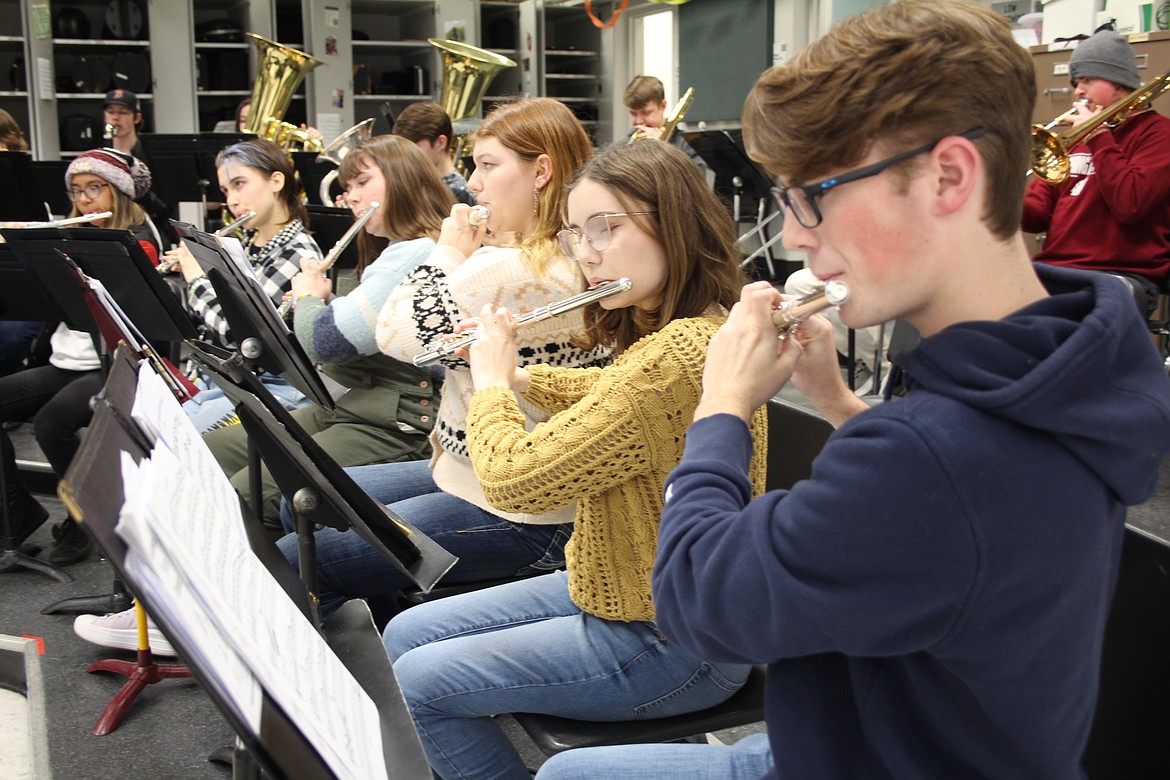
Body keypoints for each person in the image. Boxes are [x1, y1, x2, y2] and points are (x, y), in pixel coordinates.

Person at [536, 3, 1170, 779]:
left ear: (947, 176)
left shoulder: (927, 457)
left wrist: (722, 405)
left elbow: (698, 601)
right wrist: (840, 406)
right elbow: (958, 531)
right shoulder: (1076, 360)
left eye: (816, 194)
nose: (796, 236)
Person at [383, 139, 762, 780]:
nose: (586, 255)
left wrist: (495, 385)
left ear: (672, 222)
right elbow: (612, 396)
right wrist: (524, 378)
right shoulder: (680, 330)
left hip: (673, 638)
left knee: (421, 682)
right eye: (575, 235)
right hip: (615, 588)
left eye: (605, 230)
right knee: (403, 635)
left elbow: (512, 480)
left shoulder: (679, 353)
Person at [273, 97, 609, 620]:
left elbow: (392, 332)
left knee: (297, 555)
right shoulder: (534, 254)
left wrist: (448, 251)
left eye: (488, 165)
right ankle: (377, 624)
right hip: (469, 473)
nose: (472, 183)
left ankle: (357, 649)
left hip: (523, 510)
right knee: (304, 497)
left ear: (541, 170)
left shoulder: (519, 267)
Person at [199, 135, 450, 529]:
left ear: (402, 177)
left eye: (363, 182)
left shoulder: (416, 252)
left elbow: (326, 342)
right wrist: (323, 303)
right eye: (348, 187)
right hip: (351, 405)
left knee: (247, 490)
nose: (350, 196)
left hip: (395, 423)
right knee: (209, 450)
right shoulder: (396, 249)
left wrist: (307, 300)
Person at [1, 149, 161, 567]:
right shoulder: (64, 234)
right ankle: (16, 514)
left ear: (119, 192)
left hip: (114, 362)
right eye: (78, 190)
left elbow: (127, 313)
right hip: (67, 360)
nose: (86, 199)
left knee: (54, 421)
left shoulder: (138, 240)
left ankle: (87, 515)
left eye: (96, 188)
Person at [163, 138, 323, 433]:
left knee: (180, 438)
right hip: (227, 379)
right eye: (225, 190)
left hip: (273, 389)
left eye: (239, 184)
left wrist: (196, 278)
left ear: (276, 181)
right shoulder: (244, 244)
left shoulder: (299, 253)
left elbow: (234, 332)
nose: (231, 200)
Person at [1023, 28, 1170, 316]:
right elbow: (1037, 214)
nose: (1078, 91)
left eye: (1088, 80)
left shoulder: (1159, 134)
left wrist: (1097, 136)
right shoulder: (1072, 140)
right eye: (1076, 82)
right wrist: (997, 195)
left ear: (1119, 83)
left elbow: (1131, 204)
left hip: (1121, 275)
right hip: (1056, 270)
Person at [392, 101, 476, 205]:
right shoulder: (417, 186)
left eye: (415, 148)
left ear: (441, 142)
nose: (406, 156)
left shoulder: (458, 194)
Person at [622, 75, 708, 175]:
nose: (639, 121)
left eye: (646, 112)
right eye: (633, 113)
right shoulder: (622, 145)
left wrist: (663, 150)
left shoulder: (688, 146)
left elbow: (696, 182)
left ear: (663, 106)